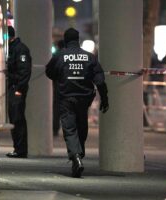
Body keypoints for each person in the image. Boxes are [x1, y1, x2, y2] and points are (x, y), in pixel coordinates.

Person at [45, 28, 109, 178]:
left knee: (70, 129)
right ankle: (79, 155)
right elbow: (99, 79)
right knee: (81, 127)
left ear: (66, 40)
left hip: (66, 97)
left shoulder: (59, 56)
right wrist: (105, 98)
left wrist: (59, 77)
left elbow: (49, 72)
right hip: (84, 99)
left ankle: (76, 157)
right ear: (78, 39)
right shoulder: (90, 57)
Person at [6, 26, 32, 158]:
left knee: (17, 118)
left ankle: (20, 150)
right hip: (12, 88)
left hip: (16, 88)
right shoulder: (11, 48)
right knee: (14, 118)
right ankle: (18, 148)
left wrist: (19, 89)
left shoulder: (20, 49)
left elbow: (24, 72)